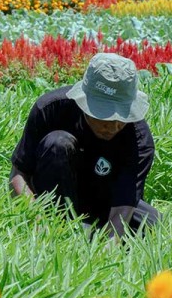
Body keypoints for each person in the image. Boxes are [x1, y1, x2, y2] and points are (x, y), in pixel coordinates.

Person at [9, 52, 160, 241]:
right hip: (53, 195)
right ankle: (61, 227)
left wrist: (110, 244)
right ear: (83, 102)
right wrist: (38, 221)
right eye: (104, 116)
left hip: (104, 197)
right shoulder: (50, 109)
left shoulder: (138, 138)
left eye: (120, 117)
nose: (113, 127)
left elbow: (126, 197)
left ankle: (87, 233)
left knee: (153, 223)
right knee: (57, 142)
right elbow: (18, 175)